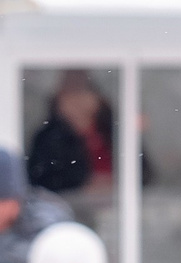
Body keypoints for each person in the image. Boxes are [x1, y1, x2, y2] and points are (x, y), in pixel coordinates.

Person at [25, 69, 115, 197]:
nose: (77, 101)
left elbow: (143, 173)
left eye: (82, 91)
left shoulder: (114, 132)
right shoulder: (48, 139)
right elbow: (40, 182)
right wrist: (83, 187)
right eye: (70, 93)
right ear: (58, 100)